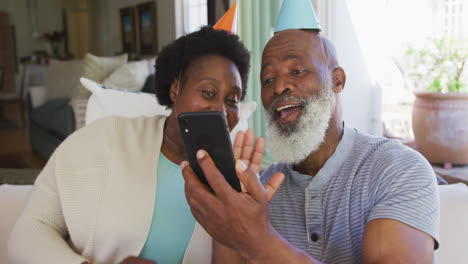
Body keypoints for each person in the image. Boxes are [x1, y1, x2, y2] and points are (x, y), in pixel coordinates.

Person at [180, 0, 440, 263]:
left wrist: (258, 240)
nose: (279, 86)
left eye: (297, 70)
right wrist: (229, 222)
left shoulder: (398, 169)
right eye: (268, 79)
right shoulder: (257, 193)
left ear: (337, 80)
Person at [8, 24, 251, 264]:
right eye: (208, 92)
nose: (220, 110)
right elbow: (28, 231)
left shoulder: (239, 180)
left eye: (232, 99)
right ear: (176, 89)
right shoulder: (101, 139)